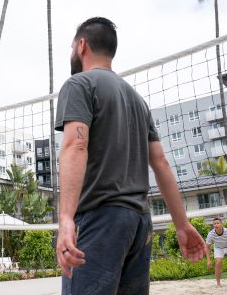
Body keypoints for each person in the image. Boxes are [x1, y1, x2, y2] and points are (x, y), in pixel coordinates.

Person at [55, 17, 206, 295]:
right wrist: (181, 224)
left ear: (81, 46)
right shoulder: (138, 100)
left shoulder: (79, 84)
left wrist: (65, 218)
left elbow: (76, 146)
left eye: (71, 46)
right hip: (138, 223)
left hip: (100, 218)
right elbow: (160, 162)